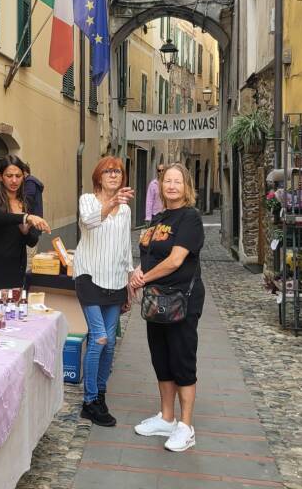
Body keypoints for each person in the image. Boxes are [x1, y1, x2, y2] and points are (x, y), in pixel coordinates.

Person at [129, 163, 206, 452]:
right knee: (161, 358)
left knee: (181, 359)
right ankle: (167, 418)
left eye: (177, 181)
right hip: (157, 299)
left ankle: (186, 427)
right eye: (167, 181)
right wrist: (138, 272)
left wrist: (142, 279)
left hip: (181, 300)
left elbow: (175, 260)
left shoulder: (190, 218)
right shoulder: (159, 218)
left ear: (187, 187)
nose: (172, 186)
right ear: (160, 186)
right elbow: (150, 254)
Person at [74, 157, 135, 427]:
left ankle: (100, 395)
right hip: (88, 275)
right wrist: (110, 203)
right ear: (98, 176)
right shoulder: (87, 199)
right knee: (98, 338)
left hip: (114, 280)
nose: (113, 175)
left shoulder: (125, 210)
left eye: (118, 171)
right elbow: (89, 222)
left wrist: (130, 281)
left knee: (110, 342)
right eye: (108, 171)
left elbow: (124, 246)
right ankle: (89, 401)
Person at [0, 155, 51, 289]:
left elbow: (32, 241)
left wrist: (25, 232)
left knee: (11, 309)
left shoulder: (26, 203)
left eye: (18, 176)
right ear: (0, 176)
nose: (14, 180)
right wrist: (26, 217)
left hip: (14, 269)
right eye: (9, 176)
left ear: (23, 176)